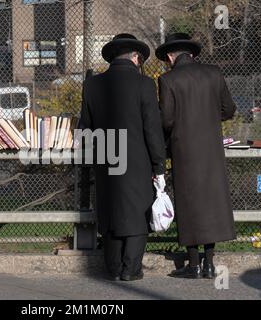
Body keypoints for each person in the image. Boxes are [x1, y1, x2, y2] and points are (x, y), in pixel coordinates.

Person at [79, 34, 166, 281]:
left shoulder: (92, 85)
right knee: (138, 211)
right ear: (136, 58)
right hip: (137, 158)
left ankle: (114, 267)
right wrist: (159, 163)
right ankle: (131, 269)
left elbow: (85, 127)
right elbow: (152, 128)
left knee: (110, 210)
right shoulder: (145, 85)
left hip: (105, 156)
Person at [155, 33, 237, 279]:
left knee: (189, 203)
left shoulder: (168, 80)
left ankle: (193, 265)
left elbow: (166, 119)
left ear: (171, 56)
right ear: (192, 54)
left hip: (184, 150)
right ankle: (210, 263)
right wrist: (209, 118)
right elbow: (229, 109)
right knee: (210, 203)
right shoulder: (214, 73)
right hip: (211, 149)